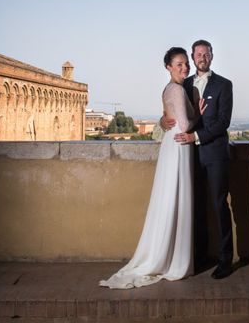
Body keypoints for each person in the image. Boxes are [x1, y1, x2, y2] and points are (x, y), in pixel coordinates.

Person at [99, 47, 205, 289]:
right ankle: (176, 261)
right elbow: (186, 124)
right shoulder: (178, 89)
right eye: (179, 64)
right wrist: (198, 114)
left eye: (185, 63)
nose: (184, 67)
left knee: (170, 197)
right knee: (177, 199)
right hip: (180, 144)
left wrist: (164, 119)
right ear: (168, 67)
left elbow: (168, 116)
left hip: (172, 144)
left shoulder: (168, 88)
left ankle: (165, 255)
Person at [163, 39, 234, 279]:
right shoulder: (184, 83)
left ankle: (225, 260)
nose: (202, 57)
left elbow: (223, 122)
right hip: (188, 157)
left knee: (218, 205)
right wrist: (162, 122)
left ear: (212, 56)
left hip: (214, 154)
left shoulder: (225, 85)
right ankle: (199, 257)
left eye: (206, 53)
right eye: (198, 54)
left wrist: (196, 136)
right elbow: (171, 111)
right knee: (195, 208)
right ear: (193, 59)